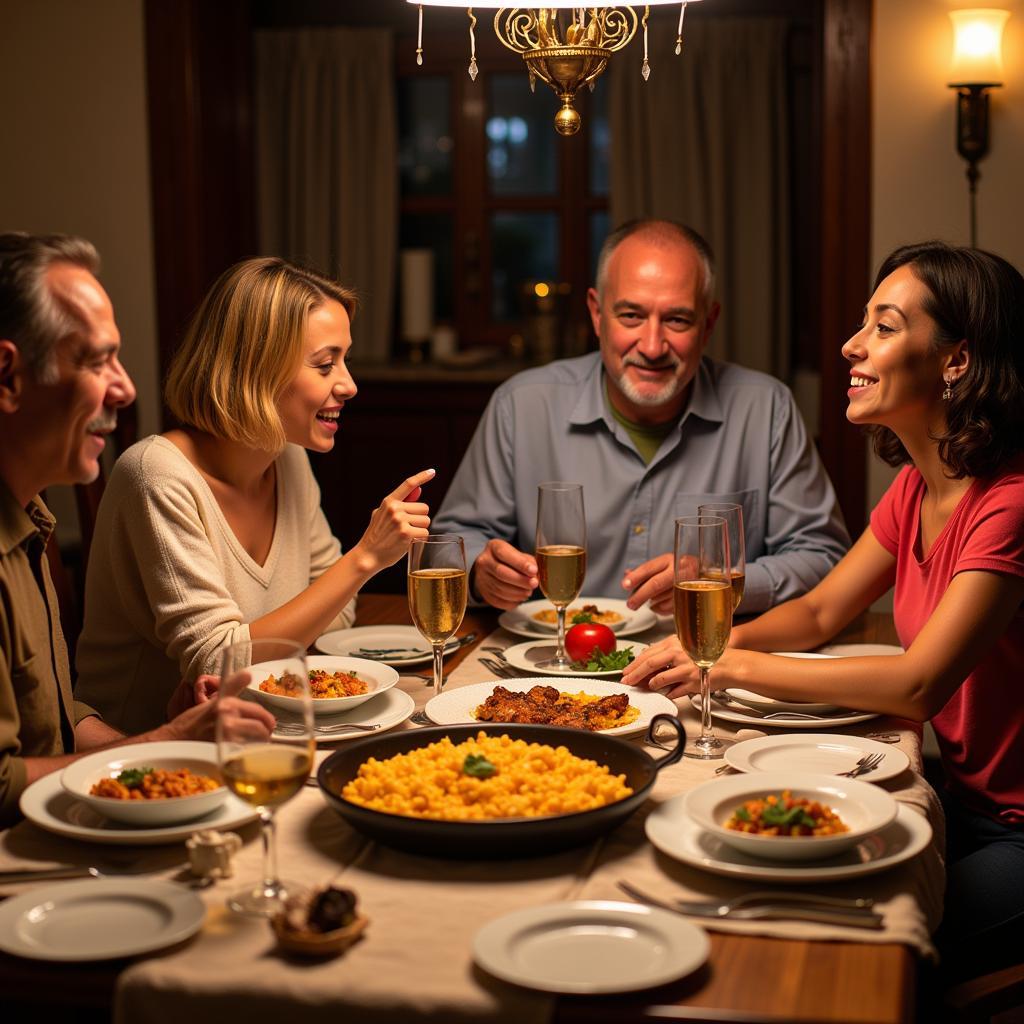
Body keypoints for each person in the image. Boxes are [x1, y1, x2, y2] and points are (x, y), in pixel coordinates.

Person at [624, 240, 1024, 977]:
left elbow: (916, 685)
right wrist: (711, 650)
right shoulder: (918, 487)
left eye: (885, 325)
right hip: (960, 801)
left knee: (858, 956)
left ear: (956, 361)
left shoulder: (1010, 503)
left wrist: (731, 664)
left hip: (1016, 831)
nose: (852, 344)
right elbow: (818, 614)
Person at [75, 257, 433, 734]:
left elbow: (335, 615)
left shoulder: (286, 458)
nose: (349, 384)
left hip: (260, 732)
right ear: (256, 368)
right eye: (326, 364)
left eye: (343, 361)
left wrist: (334, 584)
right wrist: (365, 558)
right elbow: (217, 664)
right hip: (140, 761)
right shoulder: (156, 475)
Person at [433, 219, 849, 615]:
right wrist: (477, 576)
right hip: (549, 667)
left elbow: (824, 560)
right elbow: (449, 545)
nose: (652, 346)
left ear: (708, 324)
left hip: (698, 664)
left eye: (677, 319)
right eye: (631, 315)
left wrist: (719, 578)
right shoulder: (521, 406)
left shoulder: (767, 410)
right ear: (597, 314)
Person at [0, 232, 274, 828]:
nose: (126, 388)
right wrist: (166, 739)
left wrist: (163, 736)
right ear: (8, 376)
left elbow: (53, 720)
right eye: (98, 361)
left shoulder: (29, 522)